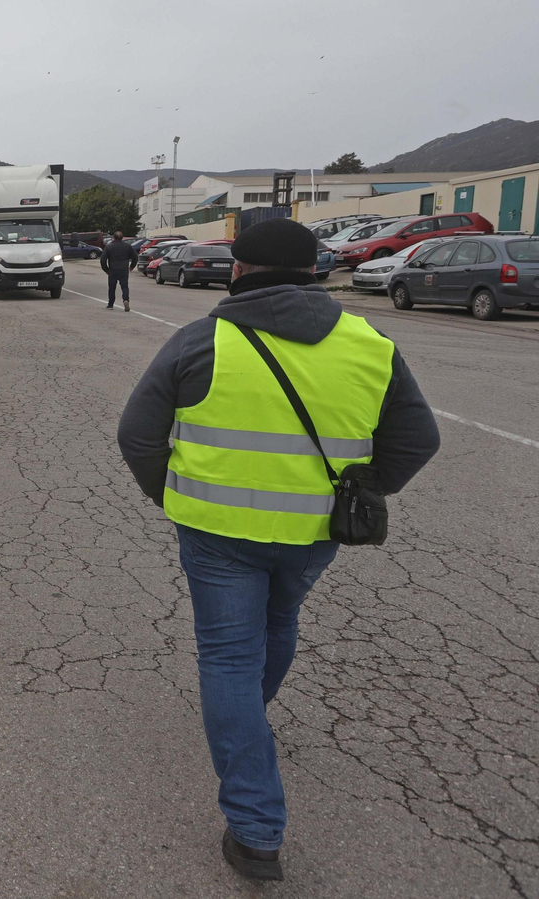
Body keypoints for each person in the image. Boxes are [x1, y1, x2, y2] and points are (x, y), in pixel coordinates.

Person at [117, 217, 440, 883]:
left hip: (216, 535)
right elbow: (418, 439)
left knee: (230, 659)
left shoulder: (205, 339)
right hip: (314, 536)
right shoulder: (369, 342)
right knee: (279, 625)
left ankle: (256, 827)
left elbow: (137, 434)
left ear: (238, 269)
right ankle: (246, 732)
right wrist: (362, 489)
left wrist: (170, 495)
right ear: (317, 271)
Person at [101, 230, 139, 311]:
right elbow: (135, 257)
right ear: (122, 238)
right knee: (125, 286)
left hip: (113, 270)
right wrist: (132, 266)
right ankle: (126, 300)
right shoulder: (128, 246)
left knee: (112, 287)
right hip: (124, 270)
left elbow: (103, 260)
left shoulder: (109, 247)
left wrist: (106, 269)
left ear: (114, 237)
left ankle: (110, 304)